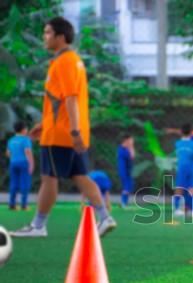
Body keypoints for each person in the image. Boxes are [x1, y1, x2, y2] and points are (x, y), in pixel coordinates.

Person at [10, 17, 116, 238]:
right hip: (64, 129)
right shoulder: (72, 60)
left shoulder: (65, 61)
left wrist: (73, 131)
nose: (43, 36)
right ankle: (105, 217)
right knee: (80, 175)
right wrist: (44, 123)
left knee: (49, 177)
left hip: (61, 134)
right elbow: (59, 101)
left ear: (61, 37)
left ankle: (38, 226)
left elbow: (70, 98)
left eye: (47, 32)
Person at [173, 123, 193, 216]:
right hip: (192, 168)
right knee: (192, 188)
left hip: (181, 167)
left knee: (179, 187)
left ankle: (176, 209)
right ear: (191, 133)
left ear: (181, 132)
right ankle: (192, 210)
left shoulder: (178, 143)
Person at [6, 122, 34, 211]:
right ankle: (24, 205)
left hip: (13, 162)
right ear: (23, 129)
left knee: (13, 183)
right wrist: (31, 164)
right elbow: (28, 152)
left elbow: (8, 153)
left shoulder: (11, 140)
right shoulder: (26, 140)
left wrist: (14, 157)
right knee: (25, 183)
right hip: (24, 162)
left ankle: (12, 204)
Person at [117, 134, 135, 209]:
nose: (132, 142)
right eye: (131, 141)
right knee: (126, 187)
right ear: (126, 140)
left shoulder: (126, 149)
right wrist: (131, 147)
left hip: (128, 170)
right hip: (124, 171)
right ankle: (123, 203)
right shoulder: (122, 149)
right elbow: (132, 155)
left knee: (129, 187)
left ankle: (125, 203)